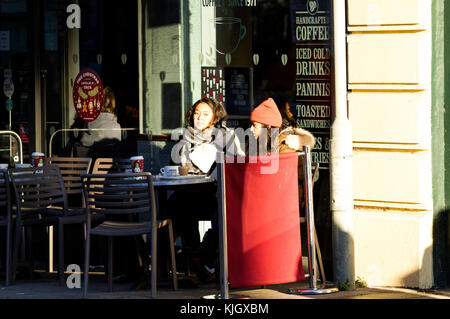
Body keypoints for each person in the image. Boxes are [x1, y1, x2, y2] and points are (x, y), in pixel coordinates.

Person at [166, 97, 243, 281]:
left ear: (215, 117)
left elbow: (237, 166)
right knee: (173, 206)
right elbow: (174, 165)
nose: (199, 117)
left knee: (179, 206)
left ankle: (193, 259)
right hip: (190, 193)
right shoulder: (186, 137)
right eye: (197, 113)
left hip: (216, 195)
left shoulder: (226, 136)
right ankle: (185, 259)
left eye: (205, 114)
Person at [76, 87, 122, 158]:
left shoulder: (91, 123)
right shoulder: (117, 126)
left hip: (93, 166)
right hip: (111, 167)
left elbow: (83, 142)